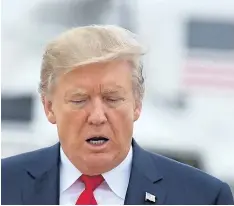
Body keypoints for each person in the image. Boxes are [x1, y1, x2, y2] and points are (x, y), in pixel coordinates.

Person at [1, 25, 233, 205]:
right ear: (49, 107)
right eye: (80, 100)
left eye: (112, 99)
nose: (97, 116)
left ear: (137, 104)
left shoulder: (204, 198)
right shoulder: (5, 185)